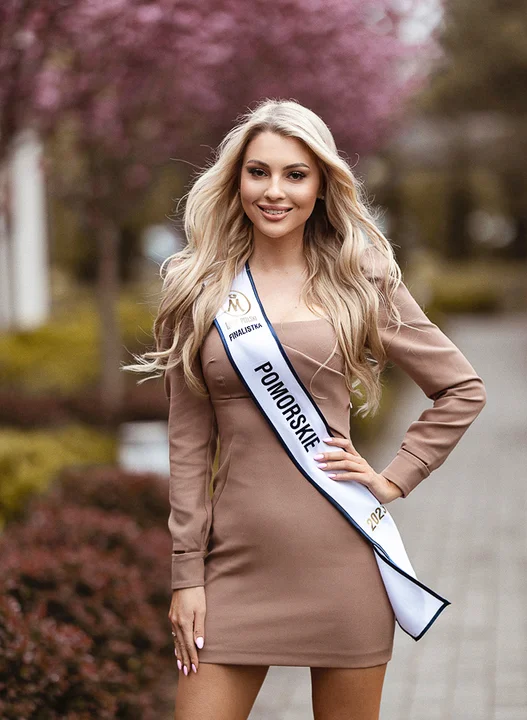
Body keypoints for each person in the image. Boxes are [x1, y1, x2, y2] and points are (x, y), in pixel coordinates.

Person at [126, 98, 487, 720]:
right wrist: (186, 574)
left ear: (321, 185)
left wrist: (394, 477)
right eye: (258, 172)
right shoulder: (198, 287)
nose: (275, 191)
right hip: (233, 567)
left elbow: (461, 388)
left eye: (295, 175)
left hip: (343, 566)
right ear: (236, 180)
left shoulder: (359, 279)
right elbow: (187, 446)